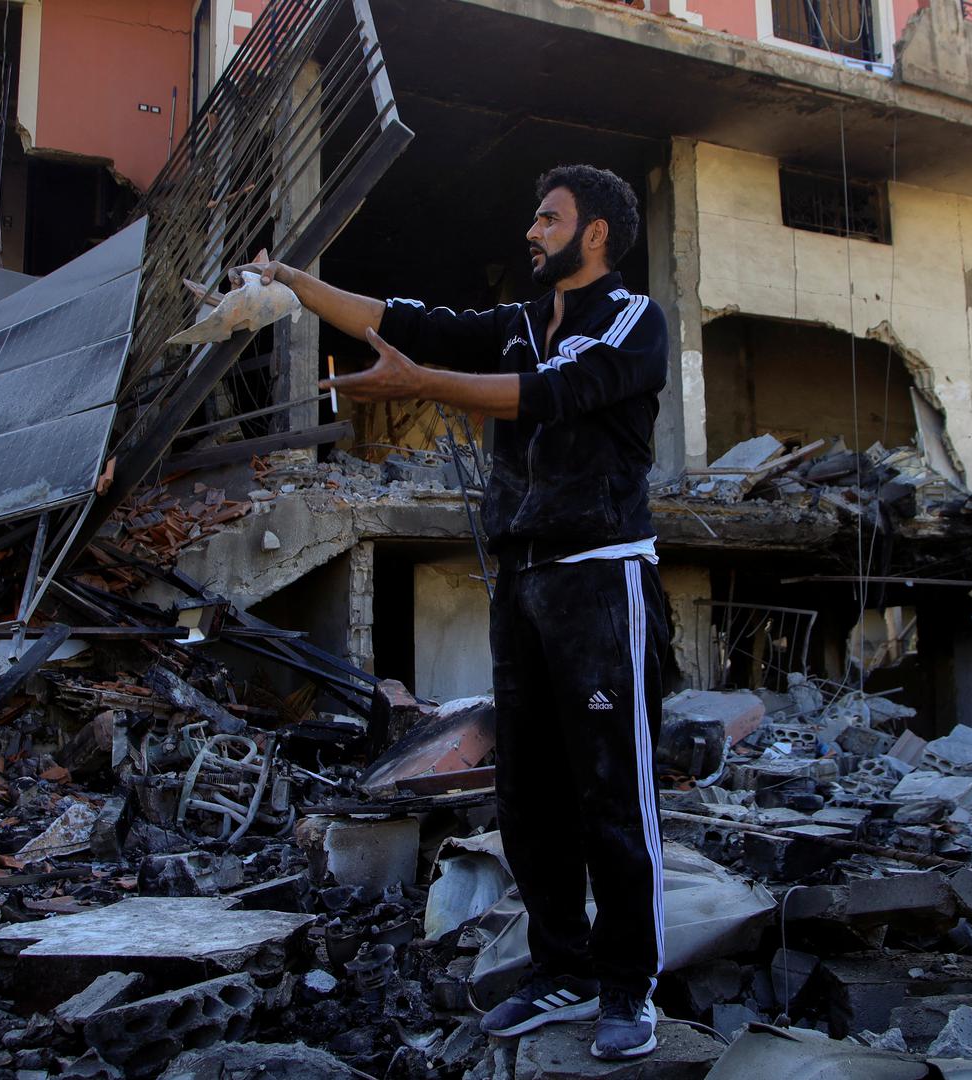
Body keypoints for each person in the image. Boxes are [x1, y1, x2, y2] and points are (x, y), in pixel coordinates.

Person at [230, 164, 671, 1061]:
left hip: (599, 579)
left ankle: (629, 989)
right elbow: (397, 319)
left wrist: (418, 384)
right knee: (530, 794)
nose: (530, 232)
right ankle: (563, 973)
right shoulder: (518, 324)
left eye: (547, 219)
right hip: (522, 579)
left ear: (594, 234)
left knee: (613, 797)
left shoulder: (632, 318)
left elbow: (549, 397)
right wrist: (287, 282)